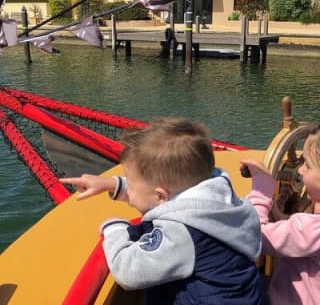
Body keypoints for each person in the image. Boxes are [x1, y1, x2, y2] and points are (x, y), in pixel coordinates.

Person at [61, 117, 267, 305]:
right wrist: (112, 185)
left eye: (130, 185)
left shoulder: (181, 233)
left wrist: (114, 229)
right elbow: (165, 195)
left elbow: (128, 271)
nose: (129, 189)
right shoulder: (221, 199)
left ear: (160, 196)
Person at [241, 125, 320, 305]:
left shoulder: (312, 230)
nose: (300, 170)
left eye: (307, 164)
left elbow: (252, 235)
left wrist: (261, 190)